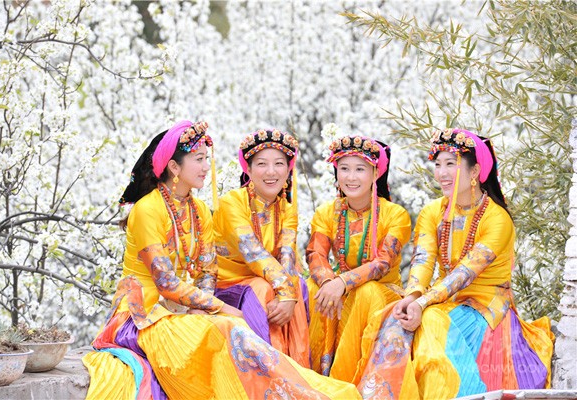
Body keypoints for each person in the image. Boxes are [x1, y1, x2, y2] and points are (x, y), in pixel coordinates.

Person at [82, 121, 360, 400]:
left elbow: (207, 271)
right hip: (141, 315)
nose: (206, 167)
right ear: (174, 167)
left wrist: (202, 307)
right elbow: (165, 282)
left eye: (206, 159)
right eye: (199, 159)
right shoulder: (147, 210)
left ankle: (291, 390)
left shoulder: (199, 209)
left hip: (182, 309)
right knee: (229, 327)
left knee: (235, 326)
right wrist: (218, 307)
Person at [357, 128, 554, 400]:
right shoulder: (432, 212)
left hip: (485, 308)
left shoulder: (497, 219)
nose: (442, 173)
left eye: (451, 164)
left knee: (431, 320)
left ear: (475, 172)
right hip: (442, 300)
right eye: (438, 164)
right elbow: (423, 260)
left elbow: (464, 273)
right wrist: (413, 296)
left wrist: (422, 304)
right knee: (393, 316)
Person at [305, 135, 411, 381]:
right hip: (340, 290)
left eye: (360, 169)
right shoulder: (326, 213)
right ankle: (312, 377)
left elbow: (382, 263)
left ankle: (347, 381)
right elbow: (316, 254)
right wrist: (329, 283)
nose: (350, 177)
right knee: (312, 288)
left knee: (367, 292)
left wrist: (343, 282)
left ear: (375, 173)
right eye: (344, 169)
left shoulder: (395, 215)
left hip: (381, 292)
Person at [213, 129, 311, 368]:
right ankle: (267, 370)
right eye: (262, 164)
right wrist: (284, 293)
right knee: (263, 287)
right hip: (227, 286)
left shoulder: (287, 209)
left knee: (298, 284)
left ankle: (298, 370)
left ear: (288, 170)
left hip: (268, 283)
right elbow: (253, 252)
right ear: (248, 169)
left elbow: (287, 256)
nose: (271, 172)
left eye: (279, 164)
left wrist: (288, 295)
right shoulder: (232, 203)